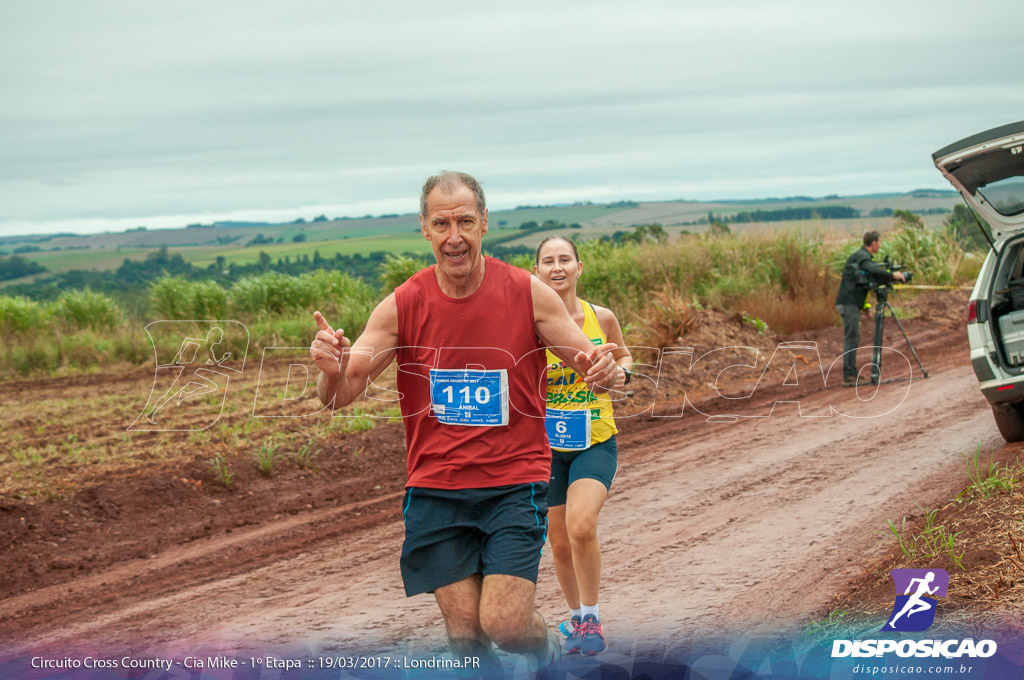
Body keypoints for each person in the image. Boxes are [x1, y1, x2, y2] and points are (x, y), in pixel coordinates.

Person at [309, 171, 619, 671]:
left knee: (505, 624)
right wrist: (330, 371)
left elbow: (596, 369)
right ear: (425, 229)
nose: (455, 236)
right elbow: (339, 394)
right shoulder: (403, 304)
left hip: (512, 483)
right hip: (436, 489)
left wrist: (606, 371)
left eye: (465, 222)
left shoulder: (526, 292)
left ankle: (547, 653)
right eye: (442, 223)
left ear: (484, 224)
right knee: (467, 637)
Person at [533, 236, 632, 656]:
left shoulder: (600, 317)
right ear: (536, 271)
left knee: (581, 525)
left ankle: (591, 618)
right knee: (557, 541)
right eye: (548, 261)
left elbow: (625, 359)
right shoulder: (528, 324)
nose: (557, 268)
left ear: (579, 267)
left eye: (565, 260)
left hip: (595, 439)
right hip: (547, 447)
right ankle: (575, 619)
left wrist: (620, 376)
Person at [835, 231, 905, 387]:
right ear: (873, 243)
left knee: (853, 337)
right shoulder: (862, 258)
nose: (880, 245)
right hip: (848, 304)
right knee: (852, 338)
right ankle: (849, 376)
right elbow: (873, 270)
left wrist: (865, 306)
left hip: (851, 303)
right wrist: (893, 275)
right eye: (879, 242)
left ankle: (851, 374)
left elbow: (862, 284)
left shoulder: (860, 258)